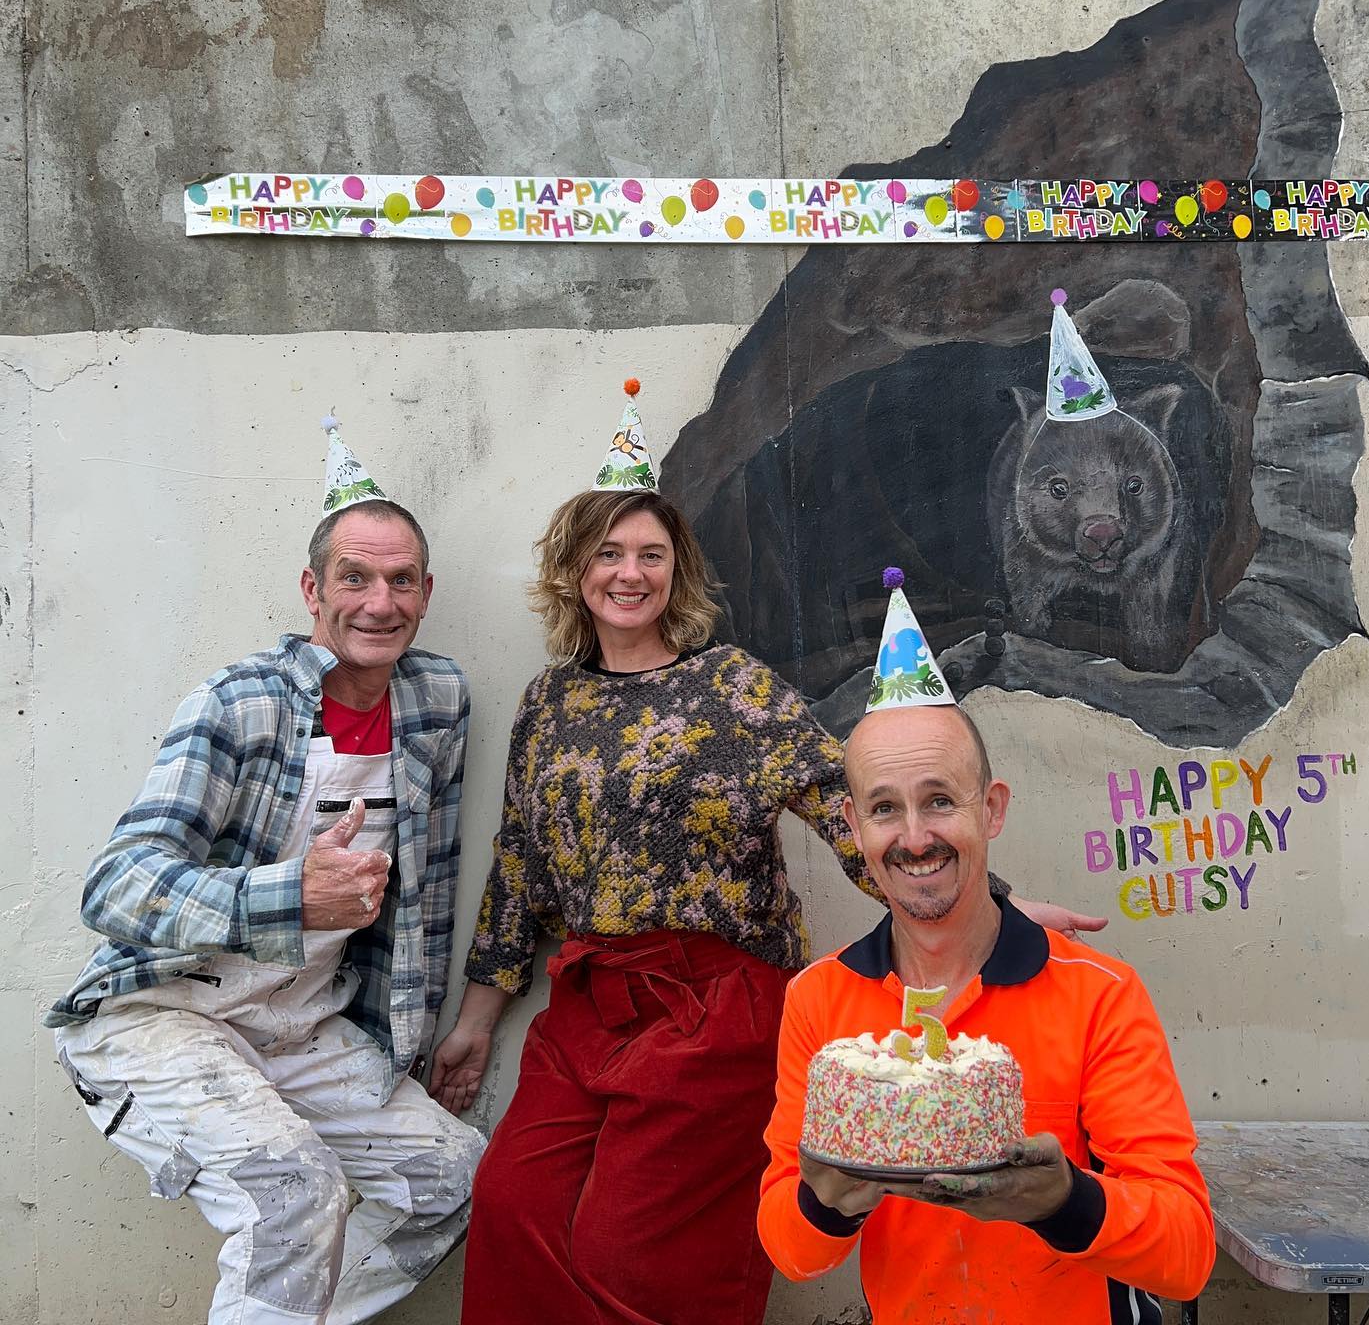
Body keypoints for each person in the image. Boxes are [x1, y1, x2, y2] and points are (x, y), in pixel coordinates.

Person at [433, 383, 1106, 1325]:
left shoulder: (731, 688)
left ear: (678, 571)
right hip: (589, 1002)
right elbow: (519, 869)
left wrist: (982, 909)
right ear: (574, 571)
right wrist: (475, 1021)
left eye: (652, 555)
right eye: (610, 554)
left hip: (714, 1005)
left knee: (638, 1253)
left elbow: (851, 810)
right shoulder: (548, 703)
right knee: (512, 1205)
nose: (630, 574)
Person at [44, 418, 485, 1325]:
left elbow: (428, 897)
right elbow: (116, 886)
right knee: (294, 1192)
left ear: (426, 591)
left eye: (401, 580)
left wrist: (407, 1042)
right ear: (312, 588)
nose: (378, 601)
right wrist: (288, 895)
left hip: (299, 1026)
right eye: (354, 578)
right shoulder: (240, 701)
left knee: (453, 1177)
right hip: (164, 1015)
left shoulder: (437, 703)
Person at [758, 571, 1215, 1324]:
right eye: (884, 809)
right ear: (853, 825)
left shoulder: (1097, 994)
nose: (914, 838)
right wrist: (829, 1201)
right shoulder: (820, 1002)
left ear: (991, 808)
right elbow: (792, 1252)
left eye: (940, 799)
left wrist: (1065, 1201)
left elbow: (1187, 1253)